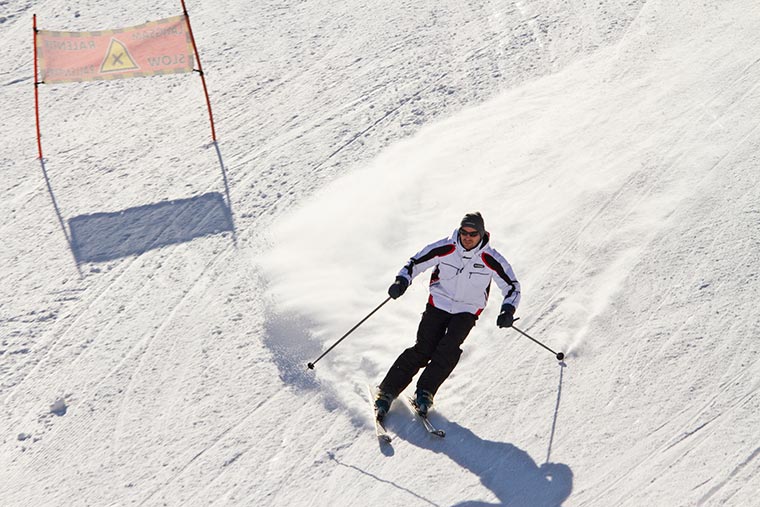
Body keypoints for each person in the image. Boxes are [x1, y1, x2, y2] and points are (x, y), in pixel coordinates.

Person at [374, 212, 521, 420]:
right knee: (423, 348)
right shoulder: (446, 247)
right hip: (439, 303)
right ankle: (387, 390)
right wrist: (402, 280)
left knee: (448, 350)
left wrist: (508, 309)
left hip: (467, 310)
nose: (467, 237)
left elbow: (512, 287)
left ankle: (425, 391)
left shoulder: (490, 258)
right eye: (464, 232)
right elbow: (415, 263)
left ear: (482, 234)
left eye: (473, 233)